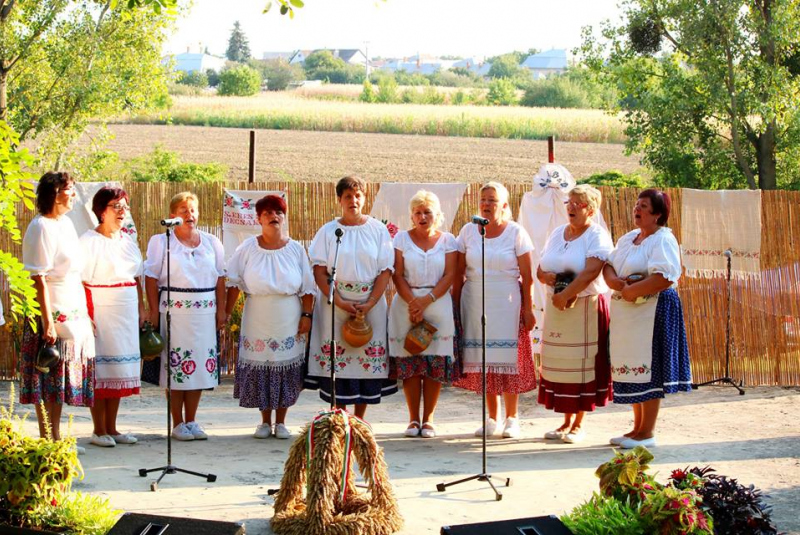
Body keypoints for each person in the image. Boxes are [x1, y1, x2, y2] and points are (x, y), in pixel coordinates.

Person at [603, 188, 692, 449]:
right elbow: (608, 264)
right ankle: (636, 429)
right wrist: (615, 282)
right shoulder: (629, 238)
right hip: (630, 312)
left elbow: (665, 277)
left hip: (654, 311)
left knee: (648, 367)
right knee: (634, 368)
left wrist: (632, 290)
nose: (637, 209)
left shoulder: (663, 239)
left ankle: (647, 432)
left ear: (658, 214)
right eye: (636, 205)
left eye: (643, 206)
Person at [306, 176, 397, 418]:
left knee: (364, 363)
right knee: (339, 363)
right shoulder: (328, 231)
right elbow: (319, 269)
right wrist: (338, 300)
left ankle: (359, 420)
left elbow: (386, 270)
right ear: (339, 200)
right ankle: (338, 417)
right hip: (335, 305)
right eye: (348, 196)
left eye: (358, 196)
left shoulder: (378, 230)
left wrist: (370, 302)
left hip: (370, 304)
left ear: (364, 199)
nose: (353, 200)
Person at [225, 195, 315, 439]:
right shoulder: (246, 249)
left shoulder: (296, 249)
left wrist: (306, 315)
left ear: (283, 217)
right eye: (267, 213)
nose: (273, 217)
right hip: (257, 316)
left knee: (285, 364)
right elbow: (233, 282)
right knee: (262, 364)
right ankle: (264, 421)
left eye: (278, 212)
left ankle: (282, 422)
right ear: (259, 219)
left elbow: (308, 286)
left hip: (288, 315)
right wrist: (224, 313)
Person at [453, 181, 536, 438]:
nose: (487, 204)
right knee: (485, 360)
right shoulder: (468, 231)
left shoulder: (516, 232)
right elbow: (457, 272)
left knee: (507, 360)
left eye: (492, 200)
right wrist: (455, 304)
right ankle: (491, 417)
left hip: (507, 300)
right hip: (475, 299)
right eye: (483, 199)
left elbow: (527, 275)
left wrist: (529, 308)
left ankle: (512, 418)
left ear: (504, 205)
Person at [20, 172, 95, 453]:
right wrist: (47, 321)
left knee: (60, 380)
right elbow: (38, 278)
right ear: (54, 193)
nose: (74, 195)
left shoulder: (65, 224)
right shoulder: (40, 227)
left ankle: (57, 436)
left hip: (72, 303)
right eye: (69, 190)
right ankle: (46, 438)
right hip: (50, 309)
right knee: (47, 376)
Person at [144, 191, 226, 441]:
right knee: (177, 367)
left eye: (192, 210)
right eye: (183, 210)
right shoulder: (161, 242)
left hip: (205, 310)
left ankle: (192, 420)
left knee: (200, 368)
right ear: (172, 216)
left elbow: (221, 277)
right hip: (174, 311)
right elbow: (150, 277)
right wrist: (153, 312)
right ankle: (177, 422)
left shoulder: (212, 242)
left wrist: (221, 311)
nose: (189, 215)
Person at [536, 185, 613, 443]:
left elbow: (591, 271)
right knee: (560, 363)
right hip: (557, 306)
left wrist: (566, 293)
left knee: (581, 364)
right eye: (569, 202)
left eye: (576, 204)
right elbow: (541, 267)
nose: (570, 207)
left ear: (590, 210)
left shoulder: (597, 236)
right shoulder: (558, 233)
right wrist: (549, 278)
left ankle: (579, 423)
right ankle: (565, 420)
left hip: (584, 307)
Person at [388, 190, 458, 439]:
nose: (422, 216)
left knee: (433, 364)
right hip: (406, 304)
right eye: (417, 212)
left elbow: (450, 275)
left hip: (437, 304)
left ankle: (428, 419)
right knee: (411, 364)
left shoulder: (449, 240)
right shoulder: (401, 240)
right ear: (411, 216)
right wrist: (413, 303)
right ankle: (412, 419)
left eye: (427, 212)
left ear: (437, 215)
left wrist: (426, 301)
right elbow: (397, 274)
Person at [81, 187, 145, 447]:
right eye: (116, 206)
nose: (122, 211)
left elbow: (136, 276)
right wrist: (86, 314)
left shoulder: (127, 240)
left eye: (124, 206)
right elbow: (81, 279)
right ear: (101, 210)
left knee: (119, 368)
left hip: (126, 308)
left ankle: (113, 427)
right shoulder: (88, 241)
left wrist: (142, 308)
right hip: (101, 306)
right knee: (102, 369)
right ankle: (98, 430)